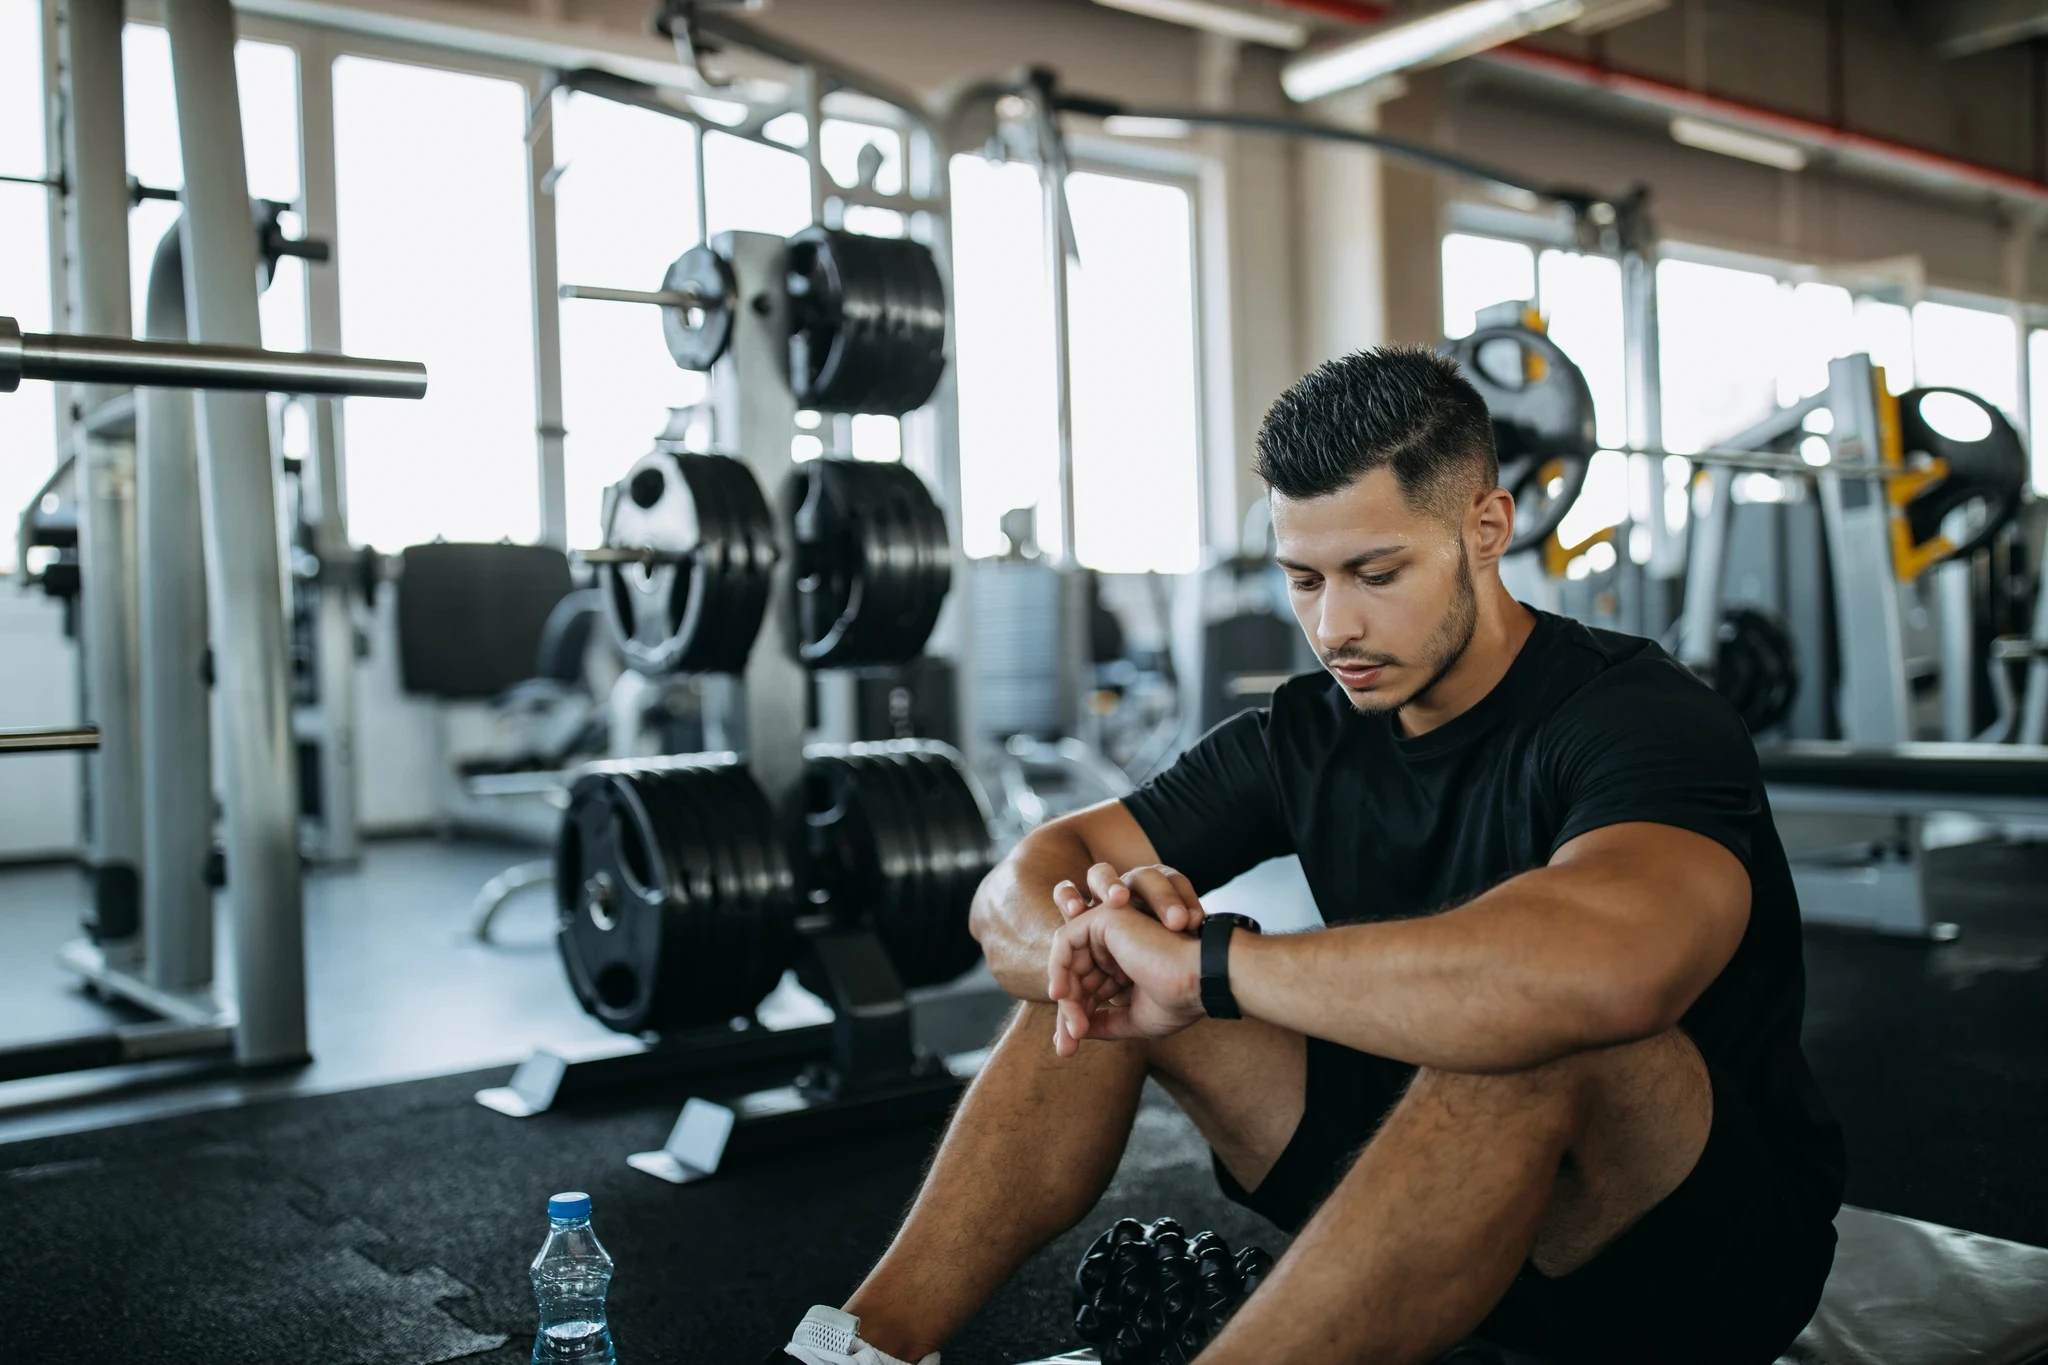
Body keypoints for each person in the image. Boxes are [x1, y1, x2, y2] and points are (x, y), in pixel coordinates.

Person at [773, 346, 1844, 1365]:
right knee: (1094, 968)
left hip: (1681, 1257)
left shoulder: (1640, 717)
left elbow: (1611, 970)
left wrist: (1207, 969)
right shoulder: (1301, 734)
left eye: (1376, 573)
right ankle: (866, 1344)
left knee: (1536, 1028)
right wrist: (1097, 935)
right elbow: (1019, 888)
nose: (1334, 627)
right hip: (1421, 1177)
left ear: (1486, 525)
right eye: (1303, 579)